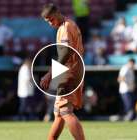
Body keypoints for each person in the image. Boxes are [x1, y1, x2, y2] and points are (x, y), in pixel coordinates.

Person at [40, 3, 85, 140]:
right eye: (47, 21)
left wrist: (49, 74)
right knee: (58, 113)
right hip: (73, 71)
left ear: (57, 13)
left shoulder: (65, 28)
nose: (50, 23)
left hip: (69, 73)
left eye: (51, 19)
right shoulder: (68, 24)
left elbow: (65, 53)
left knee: (65, 112)